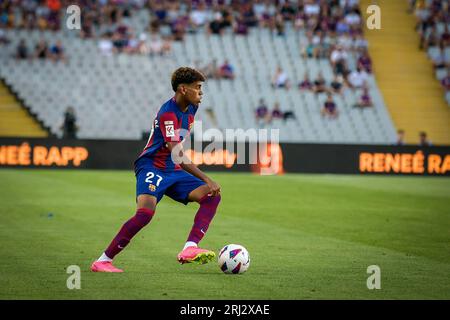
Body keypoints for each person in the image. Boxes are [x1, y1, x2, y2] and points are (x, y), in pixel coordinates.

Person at [91, 67, 221, 273]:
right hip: (152, 166)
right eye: (197, 88)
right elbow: (177, 153)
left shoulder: (192, 108)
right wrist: (206, 178)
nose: (201, 92)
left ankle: (190, 248)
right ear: (183, 89)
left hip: (172, 169)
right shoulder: (168, 113)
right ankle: (103, 260)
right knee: (145, 214)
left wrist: (207, 184)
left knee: (212, 196)